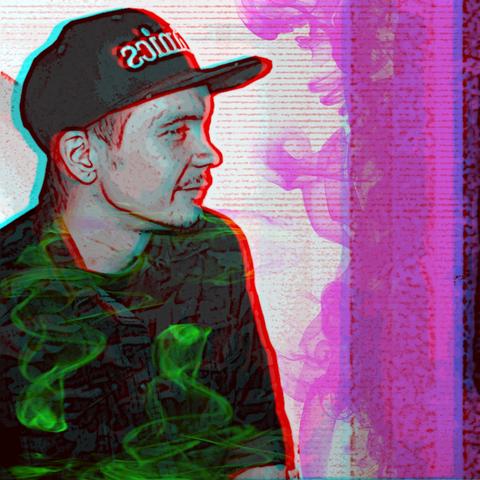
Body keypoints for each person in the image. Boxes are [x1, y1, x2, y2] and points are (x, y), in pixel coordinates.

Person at [0, 8, 295, 479]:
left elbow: (253, 439)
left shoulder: (212, 250)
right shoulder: (10, 289)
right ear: (82, 156)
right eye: (174, 131)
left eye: (203, 126)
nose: (209, 153)